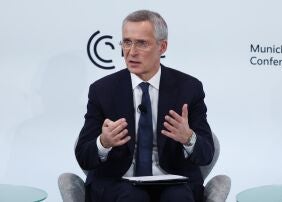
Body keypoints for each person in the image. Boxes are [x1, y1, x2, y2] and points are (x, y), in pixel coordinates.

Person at [75, 10, 214, 202]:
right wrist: (103, 143)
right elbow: (84, 155)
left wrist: (188, 138)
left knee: (177, 198)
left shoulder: (189, 89)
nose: (131, 52)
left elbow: (206, 154)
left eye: (142, 43)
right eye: (127, 42)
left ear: (162, 47)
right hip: (118, 182)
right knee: (133, 198)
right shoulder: (102, 90)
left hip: (173, 182)